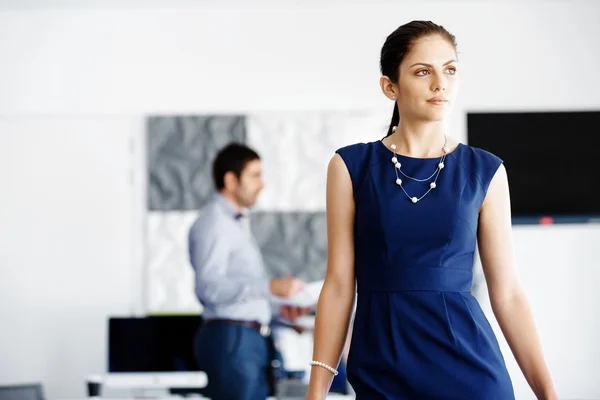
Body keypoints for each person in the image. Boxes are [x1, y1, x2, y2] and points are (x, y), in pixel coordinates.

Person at [306, 20, 558, 399]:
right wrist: (316, 392)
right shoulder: (350, 167)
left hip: (470, 372)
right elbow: (340, 286)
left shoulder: (485, 170)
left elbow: (506, 292)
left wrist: (548, 395)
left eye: (450, 70)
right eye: (423, 71)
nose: (441, 83)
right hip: (381, 368)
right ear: (390, 86)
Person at [189, 142, 309, 400]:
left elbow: (240, 292)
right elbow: (208, 288)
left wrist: (280, 309)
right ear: (231, 180)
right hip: (232, 339)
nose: (261, 184)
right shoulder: (214, 223)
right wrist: (268, 287)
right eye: (255, 176)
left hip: (247, 339)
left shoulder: (236, 223)